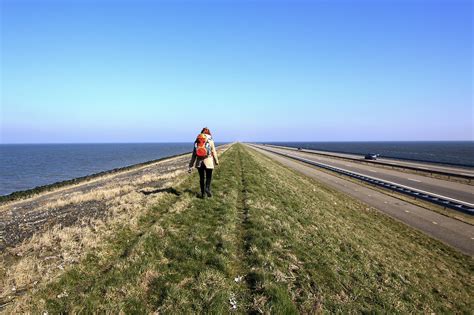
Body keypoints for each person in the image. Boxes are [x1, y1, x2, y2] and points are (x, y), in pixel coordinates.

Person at [188, 127, 219, 198]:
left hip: (199, 162)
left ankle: (202, 194)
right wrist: (216, 161)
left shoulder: (197, 142)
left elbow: (194, 155)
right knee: (208, 177)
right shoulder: (211, 141)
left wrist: (191, 165)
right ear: (209, 133)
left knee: (201, 178)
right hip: (208, 162)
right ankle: (207, 188)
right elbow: (214, 152)